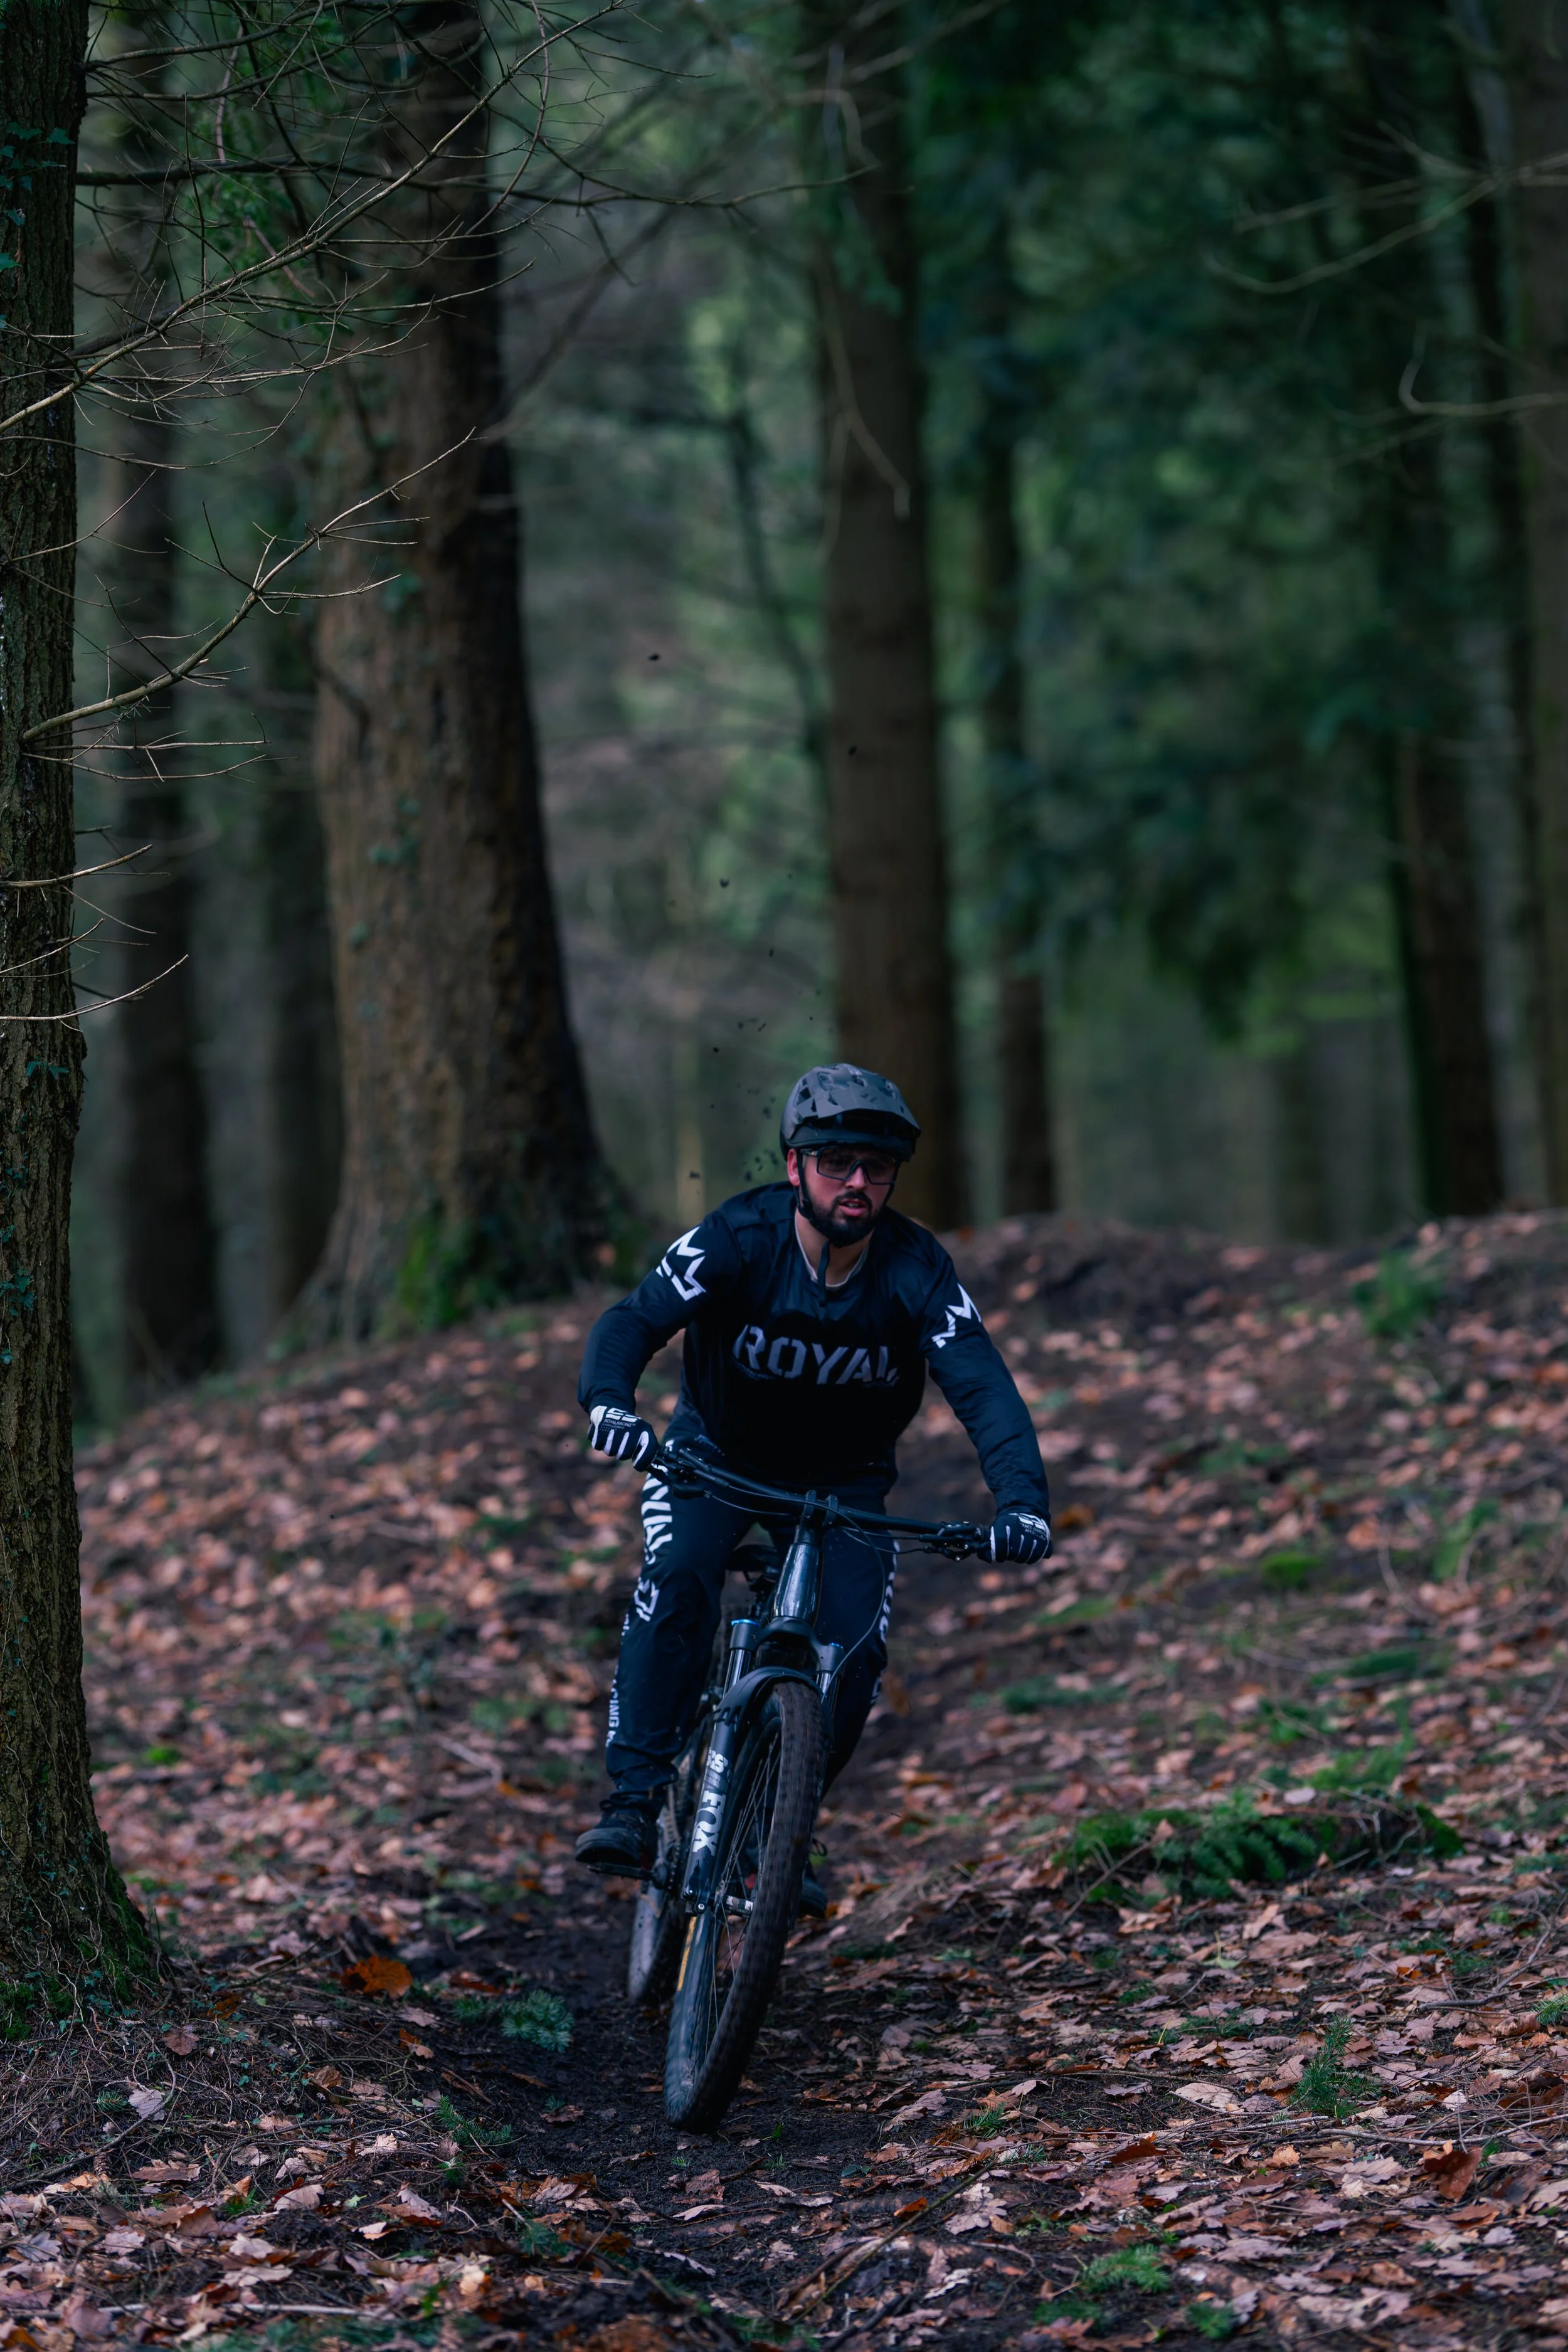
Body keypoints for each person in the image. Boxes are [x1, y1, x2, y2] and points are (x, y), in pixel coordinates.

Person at [573, 1061, 1053, 1895]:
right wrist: (610, 1402)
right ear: (795, 1165)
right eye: (836, 1162)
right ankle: (636, 1799)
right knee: (679, 1576)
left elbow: (983, 1384)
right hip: (716, 1456)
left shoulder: (916, 1268)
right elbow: (634, 1318)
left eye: (876, 1166)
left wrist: (1023, 1502)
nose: (859, 1182)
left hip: (845, 1484)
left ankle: (778, 1826)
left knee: (856, 1653)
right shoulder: (737, 1237)